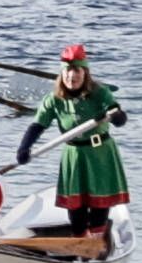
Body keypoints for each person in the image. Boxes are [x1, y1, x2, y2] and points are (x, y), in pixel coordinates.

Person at [18, 40, 130, 244]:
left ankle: (96, 242)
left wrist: (116, 115)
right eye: (68, 71)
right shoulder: (54, 99)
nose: (72, 76)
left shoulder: (100, 93)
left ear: (85, 73)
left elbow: (120, 118)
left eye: (77, 70)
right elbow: (38, 125)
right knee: (76, 211)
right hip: (74, 155)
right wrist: (25, 147)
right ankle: (80, 241)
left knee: (98, 203)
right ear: (62, 74)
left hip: (99, 154)